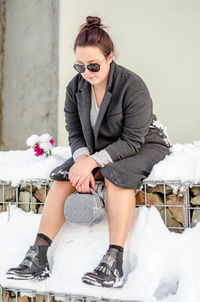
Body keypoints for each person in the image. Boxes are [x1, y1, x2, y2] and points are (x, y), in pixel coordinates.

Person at [6, 16, 171, 288]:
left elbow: (132, 140)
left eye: (93, 65)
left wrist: (93, 163)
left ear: (110, 57)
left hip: (143, 145)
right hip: (101, 149)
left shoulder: (132, 86)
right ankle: (38, 256)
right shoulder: (75, 87)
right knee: (63, 175)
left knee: (115, 174)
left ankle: (114, 263)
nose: (87, 72)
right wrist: (82, 161)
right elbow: (74, 132)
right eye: (79, 66)